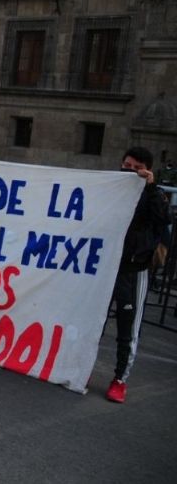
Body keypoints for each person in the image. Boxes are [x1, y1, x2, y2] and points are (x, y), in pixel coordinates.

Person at [105, 146, 169, 403]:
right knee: (93, 320)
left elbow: (163, 218)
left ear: (146, 170)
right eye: (126, 165)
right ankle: (80, 367)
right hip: (106, 266)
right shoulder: (111, 188)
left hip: (134, 269)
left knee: (128, 326)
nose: (129, 171)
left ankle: (120, 379)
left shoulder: (155, 195)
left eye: (136, 168)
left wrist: (151, 188)